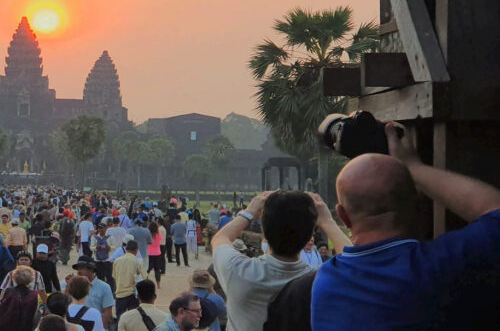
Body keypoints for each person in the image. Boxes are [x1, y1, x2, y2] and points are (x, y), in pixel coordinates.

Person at [311, 123, 500, 330]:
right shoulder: (442, 266)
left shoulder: (327, 282)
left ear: (344, 217)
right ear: (417, 204)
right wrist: (415, 168)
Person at [211, 191, 350, 331]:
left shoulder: (238, 270)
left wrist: (249, 212)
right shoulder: (321, 281)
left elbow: (220, 238)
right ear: (310, 236)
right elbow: (354, 260)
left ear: (263, 231)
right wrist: (328, 222)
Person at [72, 256, 113, 330]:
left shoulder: (104, 287)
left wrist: (99, 328)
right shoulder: (75, 285)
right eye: (78, 269)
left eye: (81, 268)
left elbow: (107, 312)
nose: (78, 271)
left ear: (91, 269)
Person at [0, 266, 39, 331]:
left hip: (7, 325)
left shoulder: (9, 291)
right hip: (25, 326)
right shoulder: (34, 295)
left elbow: (1, 305)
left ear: (15, 277)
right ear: (31, 279)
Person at [112, 240, 147, 317]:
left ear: (126, 249)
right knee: (133, 319)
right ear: (136, 250)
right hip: (133, 295)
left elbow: (114, 277)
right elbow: (144, 278)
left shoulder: (117, 261)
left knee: (120, 319)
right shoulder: (137, 261)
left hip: (119, 294)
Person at [90, 223, 113, 289]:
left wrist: (109, 247)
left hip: (107, 260)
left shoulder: (110, 237)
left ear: (106, 229)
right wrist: (96, 247)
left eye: (102, 228)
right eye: (99, 228)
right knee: (99, 277)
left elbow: (115, 247)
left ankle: (111, 291)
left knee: (110, 277)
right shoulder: (94, 237)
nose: (101, 229)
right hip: (97, 261)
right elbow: (91, 247)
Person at [146, 221, 164, 289]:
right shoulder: (159, 235)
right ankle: (158, 285)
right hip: (157, 253)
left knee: (147, 270)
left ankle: (145, 283)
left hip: (149, 253)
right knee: (157, 270)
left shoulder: (148, 235)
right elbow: (160, 241)